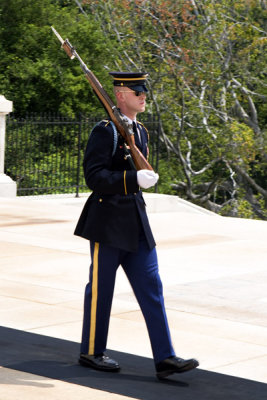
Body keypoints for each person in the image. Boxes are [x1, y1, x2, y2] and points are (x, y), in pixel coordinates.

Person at [74, 71, 199, 379]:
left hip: (136, 222)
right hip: (108, 222)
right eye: (138, 91)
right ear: (120, 95)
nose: (144, 95)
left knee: (152, 287)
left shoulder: (139, 131)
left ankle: (165, 357)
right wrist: (133, 179)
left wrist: (142, 178)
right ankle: (91, 351)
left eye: (144, 90)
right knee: (101, 289)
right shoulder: (105, 131)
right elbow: (94, 177)